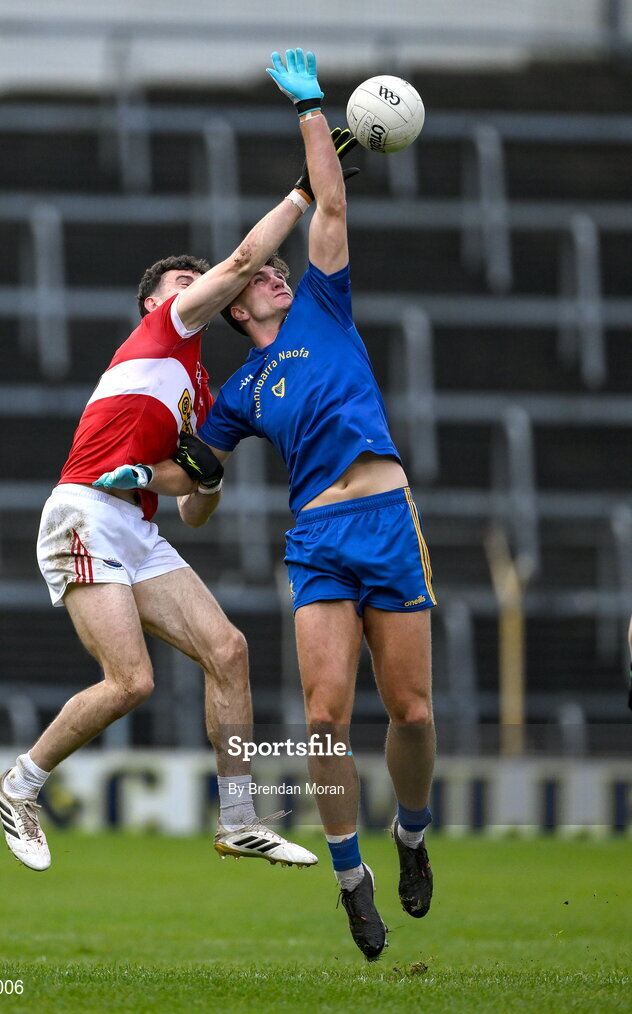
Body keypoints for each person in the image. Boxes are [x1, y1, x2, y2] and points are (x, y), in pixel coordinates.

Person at [0, 126, 325, 873]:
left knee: (228, 649)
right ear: (153, 301)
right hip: (81, 512)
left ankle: (239, 819)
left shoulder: (199, 388)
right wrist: (304, 191)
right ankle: (20, 782)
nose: (200, 287)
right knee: (131, 680)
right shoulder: (163, 329)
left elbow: (192, 509)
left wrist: (199, 476)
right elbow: (242, 260)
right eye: (184, 281)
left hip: (135, 528)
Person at [192, 49, 437, 960]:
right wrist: (166, 473)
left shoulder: (324, 307)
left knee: (409, 712)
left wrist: (309, 105)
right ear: (239, 304)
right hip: (319, 539)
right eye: (260, 274)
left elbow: (329, 204)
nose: (276, 273)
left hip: (384, 515)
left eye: (276, 269)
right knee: (326, 718)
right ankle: (351, 876)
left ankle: (410, 833)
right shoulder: (243, 389)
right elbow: (194, 494)